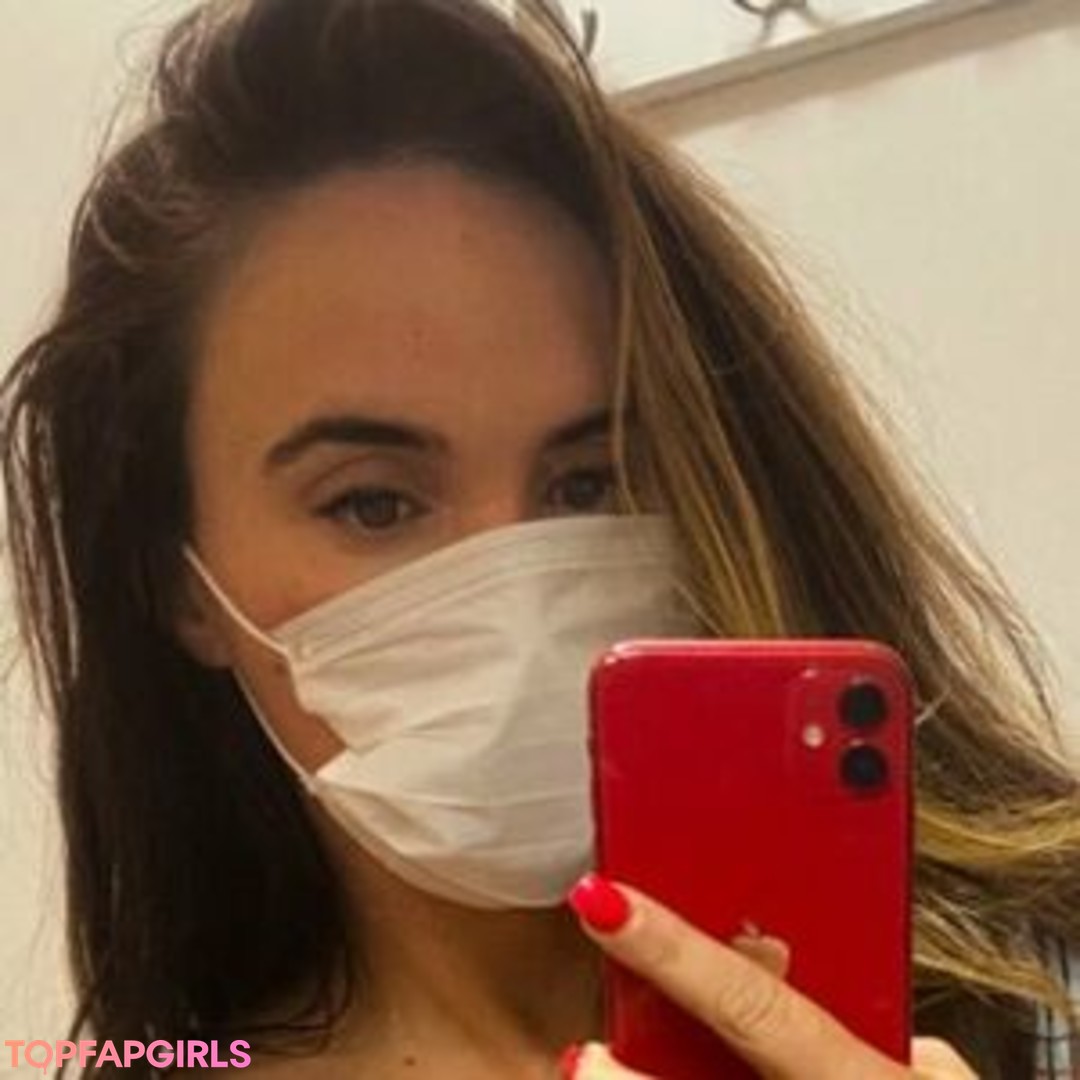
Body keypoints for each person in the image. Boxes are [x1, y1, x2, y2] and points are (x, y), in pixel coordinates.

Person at [1, 1, 1077, 1077]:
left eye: (590, 483)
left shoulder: (1045, 991)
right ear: (179, 581)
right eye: (372, 504)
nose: (516, 590)